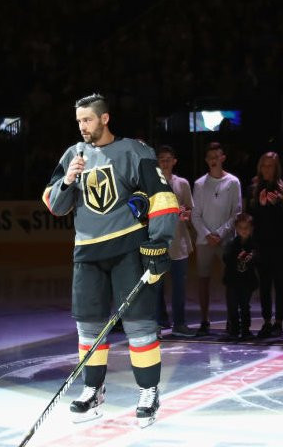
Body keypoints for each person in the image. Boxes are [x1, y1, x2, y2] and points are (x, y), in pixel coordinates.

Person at [41, 93, 179, 428]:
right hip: (87, 252)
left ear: (104, 119)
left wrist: (158, 243)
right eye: (78, 122)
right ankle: (93, 389)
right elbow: (53, 204)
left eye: (87, 120)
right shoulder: (73, 154)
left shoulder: (134, 150)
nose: (82, 127)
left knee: (140, 324)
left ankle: (148, 392)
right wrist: (69, 180)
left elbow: (163, 197)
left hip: (127, 249)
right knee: (88, 325)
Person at [191, 141, 243, 336]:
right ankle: (205, 319)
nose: (213, 160)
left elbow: (236, 213)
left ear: (223, 158)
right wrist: (207, 234)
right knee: (203, 280)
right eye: (210, 157)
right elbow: (195, 214)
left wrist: (220, 233)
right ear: (206, 160)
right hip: (205, 241)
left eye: (217, 157)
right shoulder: (199, 184)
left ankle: (232, 319)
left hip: (226, 240)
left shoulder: (233, 182)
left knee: (230, 280)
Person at [245, 151, 283, 338]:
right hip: (261, 244)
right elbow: (248, 218)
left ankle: (279, 322)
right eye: (263, 165)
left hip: (280, 244)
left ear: (276, 168)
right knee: (264, 284)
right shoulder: (253, 188)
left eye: (270, 166)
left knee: (280, 283)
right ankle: (266, 321)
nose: (266, 169)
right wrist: (259, 205)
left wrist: (279, 203)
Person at [155, 145, 196, 337]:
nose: (164, 162)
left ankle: (179, 323)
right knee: (155, 288)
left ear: (174, 161)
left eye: (168, 159)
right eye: (161, 159)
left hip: (178, 243)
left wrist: (185, 214)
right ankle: (158, 323)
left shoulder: (183, 183)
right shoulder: (150, 182)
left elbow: (189, 209)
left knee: (179, 287)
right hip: (157, 243)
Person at [220, 213, 259, 341]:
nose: (244, 230)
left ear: (251, 228)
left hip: (247, 281)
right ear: (236, 228)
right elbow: (226, 258)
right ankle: (234, 329)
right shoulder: (231, 244)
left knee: (245, 305)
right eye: (241, 227)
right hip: (232, 281)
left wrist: (252, 257)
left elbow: (259, 259)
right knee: (232, 305)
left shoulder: (254, 245)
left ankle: (246, 330)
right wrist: (236, 256)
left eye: (246, 227)